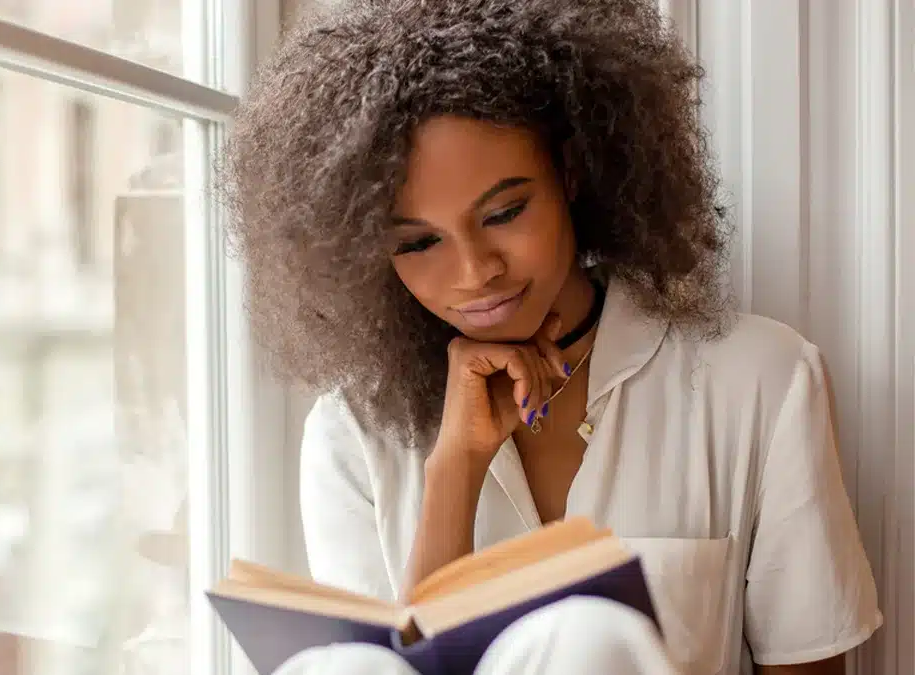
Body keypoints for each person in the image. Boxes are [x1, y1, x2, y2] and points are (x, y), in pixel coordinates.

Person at [221, 0, 882, 673]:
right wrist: (455, 468)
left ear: (569, 171)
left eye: (505, 211)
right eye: (420, 242)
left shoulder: (759, 381)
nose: (477, 272)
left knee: (586, 639)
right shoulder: (352, 434)